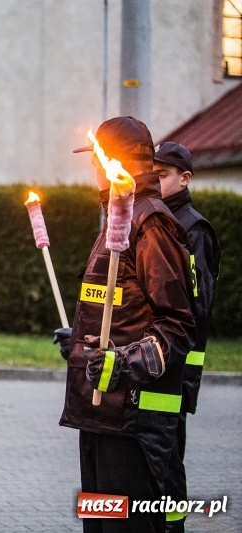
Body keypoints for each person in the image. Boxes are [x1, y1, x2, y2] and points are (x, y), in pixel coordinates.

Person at [58, 117, 196, 532]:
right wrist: (81, 345)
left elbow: (176, 326)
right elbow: (115, 309)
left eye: (96, 159)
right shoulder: (120, 217)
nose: (94, 170)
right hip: (99, 414)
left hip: (130, 419)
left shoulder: (151, 224)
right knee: (100, 524)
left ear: (113, 160)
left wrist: (125, 363)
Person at [153, 142, 221, 533]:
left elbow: (196, 308)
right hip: (157, 364)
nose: (156, 182)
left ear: (185, 178)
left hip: (176, 368)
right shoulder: (159, 222)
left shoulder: (193, 230)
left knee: (167, 461)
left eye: (162, 176)